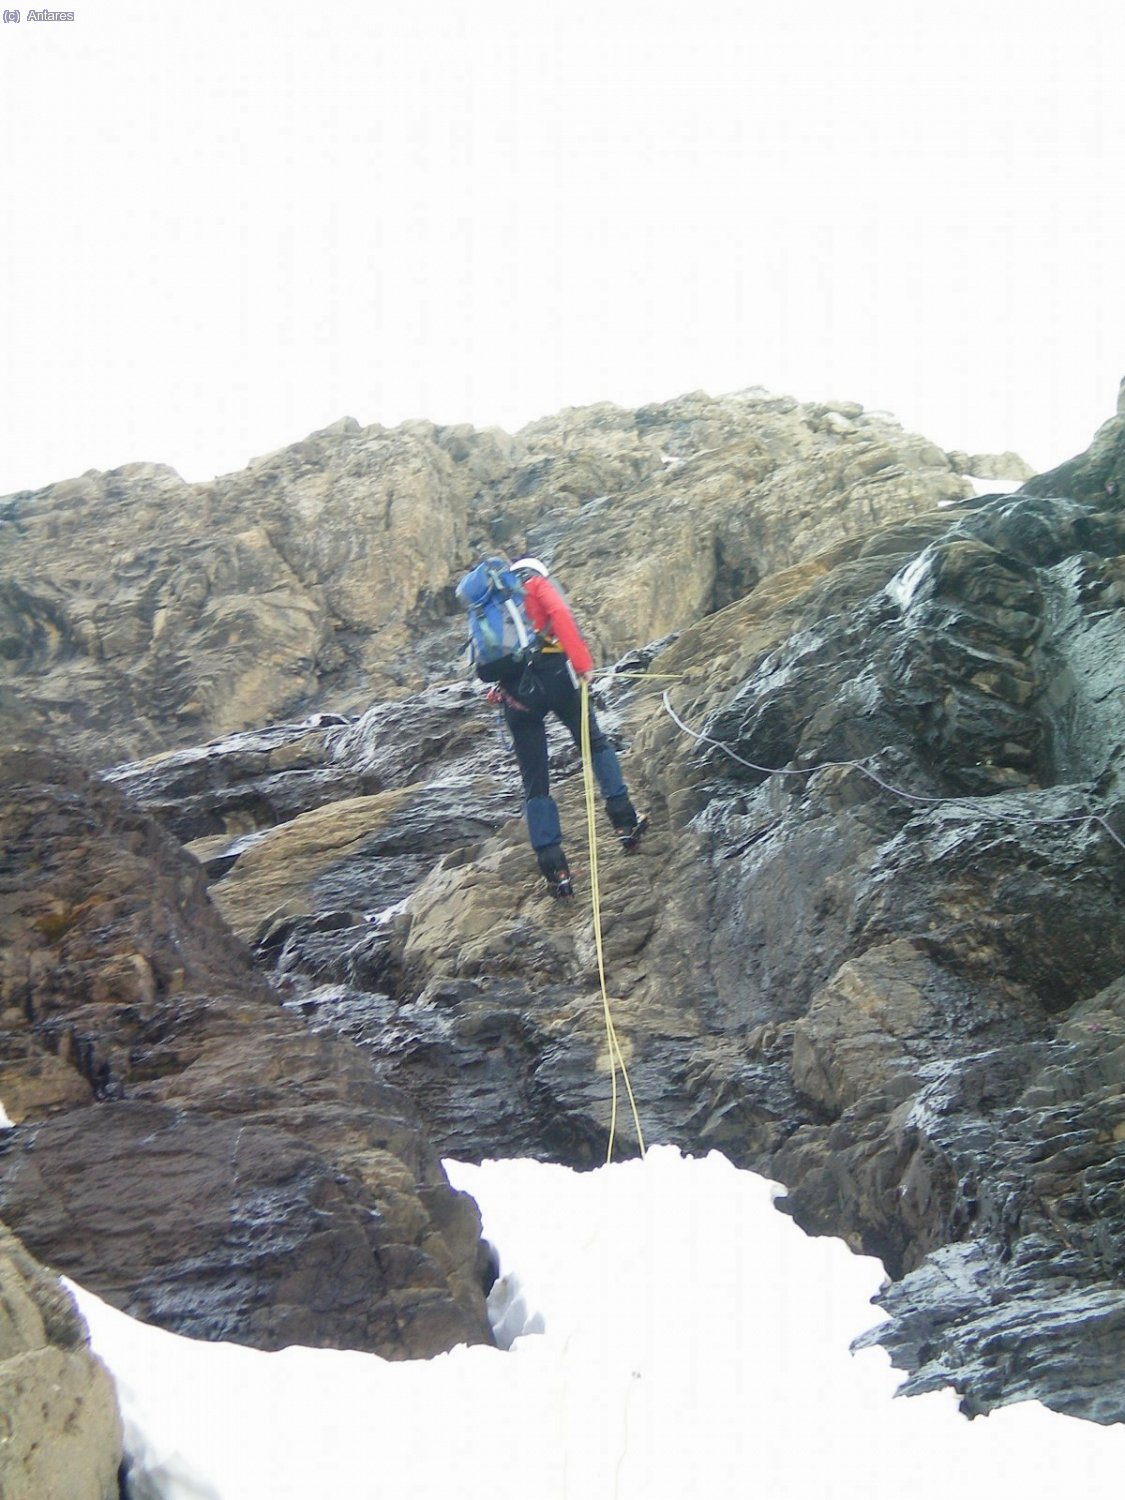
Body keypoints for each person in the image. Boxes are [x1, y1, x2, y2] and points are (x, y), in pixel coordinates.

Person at [457, 556, 647, 897]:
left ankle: (555, 868)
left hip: (517, 697)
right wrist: (584, 665)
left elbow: (495, 656)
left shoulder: (493, 607)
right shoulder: (536, 586)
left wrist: (501, 688)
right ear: (536, 572)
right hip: (559, 680)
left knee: (536, 781)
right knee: (595, 743)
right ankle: (624, 822)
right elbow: (560, 615)